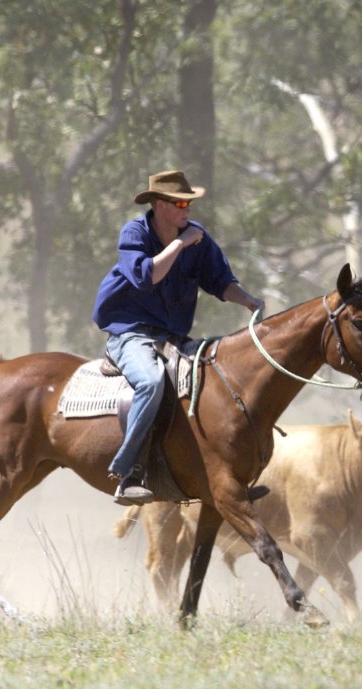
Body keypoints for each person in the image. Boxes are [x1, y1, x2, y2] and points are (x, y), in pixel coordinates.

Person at [92, 170, 265, 505]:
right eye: (181, 203)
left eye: (190, 202)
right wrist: (180, 244)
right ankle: (129, 472)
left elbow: (220, 281)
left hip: (172, 335)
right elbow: (148, 276)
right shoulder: (136, 233)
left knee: (217, 377)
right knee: (151, 382)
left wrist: (249, 301)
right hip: (130, 331)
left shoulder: (199, 240)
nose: (188, 209)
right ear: (159, 205)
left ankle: (219, 471)